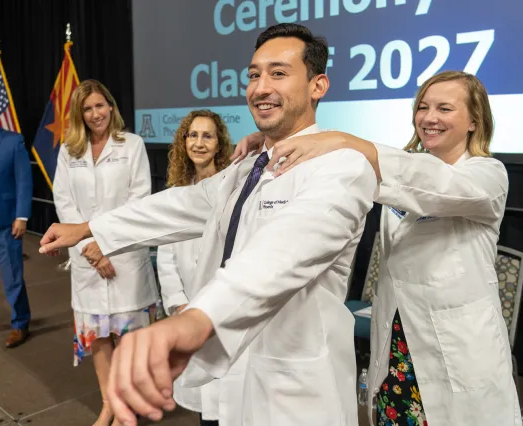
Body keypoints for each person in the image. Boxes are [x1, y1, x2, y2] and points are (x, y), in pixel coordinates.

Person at [39, 23, 377, 426]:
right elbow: (182, 204)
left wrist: (197, 318)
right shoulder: (250, 166)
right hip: (235, 376)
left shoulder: (342, 167)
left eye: (278, 73)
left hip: (293, 391)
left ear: (318, 85)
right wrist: (91, 227)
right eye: (254, 75)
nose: (261, 87)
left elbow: (285, 252)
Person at [234, 70, 520, 426]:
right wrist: (267, 144)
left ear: (474, 121)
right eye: (423, 107)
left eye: (444, 109)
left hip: (459, 350)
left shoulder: (487, 175)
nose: (429, 118)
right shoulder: (400, 166)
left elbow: (437, 186)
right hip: (400, 344)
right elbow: (335, 167)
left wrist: (343, 139)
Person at [53, 79, 158, 426]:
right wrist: (89, 249)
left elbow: (139, 201)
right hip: (88, 262)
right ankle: (109, 404)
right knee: (99, 338)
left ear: (111, 107)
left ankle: (127, 406)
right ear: (79, 115)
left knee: (127, 339)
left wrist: (106, 244)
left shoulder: (133, 144)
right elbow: (65, 204)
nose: (95, 113)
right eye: (87, 108)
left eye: (100, 105)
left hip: (125, 257)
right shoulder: (69, 151)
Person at [157, 109, 232, 426]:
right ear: (183, 141)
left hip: (226, 311)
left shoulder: (233, 190)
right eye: (193, 135)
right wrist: (179, 303)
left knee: (231, 398)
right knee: (205, 408)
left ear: (219, 144)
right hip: (188, 309)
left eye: (208, 135)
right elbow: (165, 256)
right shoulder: (174, 194)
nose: (199, 142)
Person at [0, 91, 32, 348]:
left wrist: (21, 216)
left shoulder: (12, 141)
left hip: (5, 222)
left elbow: (24, 180)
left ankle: (20, 323)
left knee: (12, 276)